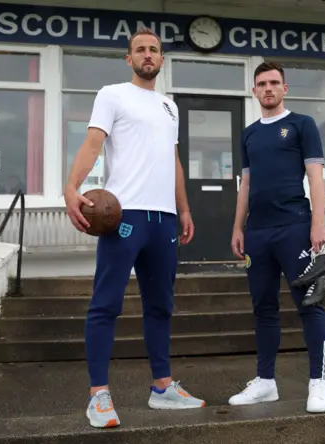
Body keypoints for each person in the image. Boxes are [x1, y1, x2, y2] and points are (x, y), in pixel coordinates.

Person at [63, 28, 206, 429]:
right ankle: (98, 395)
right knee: (106, 304)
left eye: (154, 50)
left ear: (162, 60)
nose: (147, 55)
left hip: (164, 220)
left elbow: (173, 161)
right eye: (140, 50)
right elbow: (93, 144)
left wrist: (184, 208)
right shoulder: (112, 95)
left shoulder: (170, 107)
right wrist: (70, 188)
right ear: (129, 59)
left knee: (160, 305)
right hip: (124, 217)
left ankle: (162, 387)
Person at [229, 61, 325, 414]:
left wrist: (318, 223)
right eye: (262, 83)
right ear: (254, 91)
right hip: (257, 232)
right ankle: (265, 382)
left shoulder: (302, 125)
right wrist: (237, 227)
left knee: (310, 303)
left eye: (275, 82)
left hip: (294, 226)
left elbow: (316, 179)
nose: (268, 88)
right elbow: (246, 184)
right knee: (264, 308)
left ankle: (318, 383)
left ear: (284, 89)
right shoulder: (249, 134)